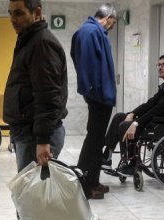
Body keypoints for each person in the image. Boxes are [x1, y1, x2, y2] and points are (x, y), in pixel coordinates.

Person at [0, 0, 68, 220]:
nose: (13, 19)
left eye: (19, 13)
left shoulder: (41, 43)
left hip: (37, 134)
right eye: (11, 13)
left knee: (32, 208)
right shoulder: (30, 40)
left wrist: (41, 140)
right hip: (30, 132)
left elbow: (49, 96)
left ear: (37, 13)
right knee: (44, 203)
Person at [101, 54, 164, 177]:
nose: (160, 67)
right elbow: (150, 104)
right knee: (119, 117)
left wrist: (137, 123)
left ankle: (130, 163)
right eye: (159, 65)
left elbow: (159, 109)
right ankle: (107, 156)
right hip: (157, 121)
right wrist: (133, 113)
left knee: (125, 125)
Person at [71, 3, 117, 199]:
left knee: (97, 139)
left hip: (99, 94)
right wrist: (94, 92)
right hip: (98, 96)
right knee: (93, 139)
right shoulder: (90, 32)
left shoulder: (92, 31)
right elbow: (89, 66)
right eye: (112, 23)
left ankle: (94, 181)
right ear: (107, 18)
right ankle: (84, 184)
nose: (111, 27)